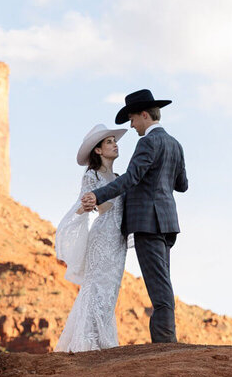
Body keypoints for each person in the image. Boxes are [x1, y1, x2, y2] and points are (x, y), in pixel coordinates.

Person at [81, 89, 188, 343]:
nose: (131, 125)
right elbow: (182, 185)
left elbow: (131, 178)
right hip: (168, 223)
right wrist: (162, 176)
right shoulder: (175, 144)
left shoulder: (148, 142)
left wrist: (99, 195)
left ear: (144, 115)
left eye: (132, 119)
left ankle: (164, 344)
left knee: (158, 287)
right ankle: (167, 342)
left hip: (147, 223)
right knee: (163, 280)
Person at [54, 123, 129, 352]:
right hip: (102, 236)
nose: (115, 144)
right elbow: (89, 204)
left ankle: (102, 338)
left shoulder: (119, 177)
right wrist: (88, 204)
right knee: (96, 287)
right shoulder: (92, 176)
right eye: (109, 142)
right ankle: (87, 342)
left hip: (119, 240)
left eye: (115, 141)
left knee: (111, 289)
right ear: (98, 150)